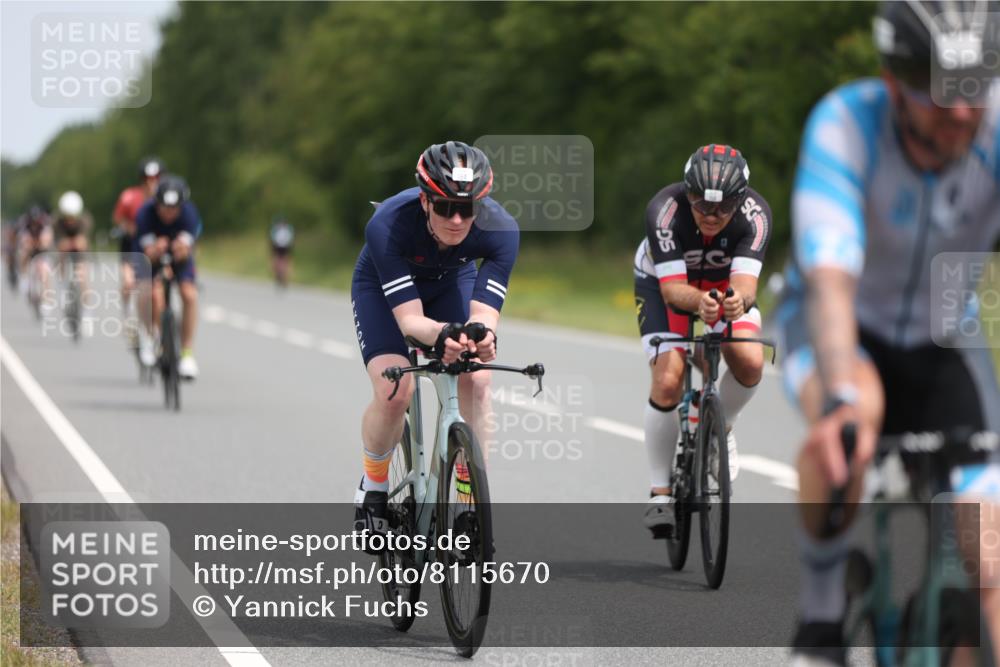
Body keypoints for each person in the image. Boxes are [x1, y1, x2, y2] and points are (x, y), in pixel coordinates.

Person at [778, 1, 1000, 664]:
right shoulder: (846, 124)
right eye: (940, 96)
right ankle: (820, 614)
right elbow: (831, 279)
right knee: (849, 427)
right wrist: (841, 393)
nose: (963, 114)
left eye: (977, 93)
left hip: (944, 337)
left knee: (989, 546)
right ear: (893, 80)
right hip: (845, 327)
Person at [350, 141, 519, 550]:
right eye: (445, 207)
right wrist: (443, 334)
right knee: (396, 389)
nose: (458, 219)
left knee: (477, 382)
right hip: (384, 285)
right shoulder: (389, 223)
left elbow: (484, 314)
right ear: (425, 201)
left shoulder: (502, 230)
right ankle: (372, 490)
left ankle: (466, 504)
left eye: (469, 208)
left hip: (450, 280)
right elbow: (410, 322)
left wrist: (482, 336)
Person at [634, 144, 772, 535]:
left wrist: (735, 303)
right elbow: (674, 290)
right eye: (701, 206)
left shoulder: (756, 215)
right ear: (687, 193)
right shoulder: (664, 209)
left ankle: (721, 427)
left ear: (740, 202)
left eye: (723, 209)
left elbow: (745, 284)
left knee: (749, 360)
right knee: (668, 377)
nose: (711, 217)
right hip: (665, 286)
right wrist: (701, 304)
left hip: (722, 288)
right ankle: (660, 493)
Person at [135, 175, 203, 379]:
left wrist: (181, 249)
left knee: (189, 295)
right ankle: (150, 337)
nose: (169, 213)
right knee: (151, 293)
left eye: (174, 209)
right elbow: (146, 251)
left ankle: (187, 354)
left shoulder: (190, 213)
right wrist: (156, 249)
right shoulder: (145, 214)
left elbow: (187, 247)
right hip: (153, 257)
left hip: (179, 257)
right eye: (164, 208)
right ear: (156, 204)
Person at [113, 157, 164, 340]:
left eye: (156, 177)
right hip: (132, 246)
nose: (152, 182)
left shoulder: (165, 197)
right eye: (147, 178)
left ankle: (157, 331)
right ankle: (128, 315)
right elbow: (118, 218)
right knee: (129, 283)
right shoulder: (129, 196)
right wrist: (131, 228)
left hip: (155, 248)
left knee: (157, 291)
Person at [268, 216, 295, 288]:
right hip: (281, 247)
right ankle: (281, 276)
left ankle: (282, 277)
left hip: (281, 247)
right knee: (281, 261)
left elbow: (272, 240)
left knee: (280, 261)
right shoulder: (287, 229)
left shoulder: (277, 229)